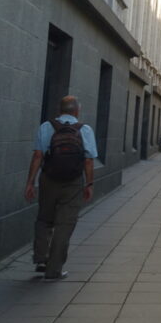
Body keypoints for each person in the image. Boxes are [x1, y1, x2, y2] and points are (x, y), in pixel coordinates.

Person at [24, 95, 97, 281]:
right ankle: (54, 269)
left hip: (49, 179)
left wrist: (30, 182)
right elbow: (88, 161)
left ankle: (41, 259)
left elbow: (38, 156)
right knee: (65, 225)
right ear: (77, 111)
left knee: (44, 219)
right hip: (73, 182)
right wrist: (89, 184)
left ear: (60, 110)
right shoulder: (85, 130)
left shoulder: (46, 127)